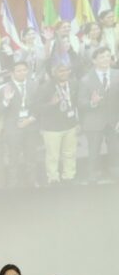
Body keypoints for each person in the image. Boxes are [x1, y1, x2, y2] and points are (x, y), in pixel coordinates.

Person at [78, 47, 119, 181]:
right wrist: (92, 103)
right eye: (102, 57)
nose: (106, 59)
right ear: (94, 60)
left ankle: (115, 172)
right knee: (94, 150)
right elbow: (80, 103)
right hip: (94, 121)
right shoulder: (85, 80)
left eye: (108, 56)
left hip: (114, 121)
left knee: (115, 149)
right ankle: (93, 174)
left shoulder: (117, 74)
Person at [0, 61, 40, 188]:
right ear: (12, 73)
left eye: (24, 70)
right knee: (14, 159)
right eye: (18, 70)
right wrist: (6, 100)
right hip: (13, 129)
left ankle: (32, 182)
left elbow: (38, 106)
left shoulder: (34, 85)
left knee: (31, 157)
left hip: (30, 126)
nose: (22, 73)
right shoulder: (5, 88)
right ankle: (13, 185)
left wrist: (30, 120)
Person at [38, 62, 79, 185]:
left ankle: (69, 176)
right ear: (54, 73)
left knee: (70, 153)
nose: (64, 73)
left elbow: (77, 103)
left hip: (70, 125)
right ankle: (53, 178)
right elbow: (37, 109)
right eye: (61, 71)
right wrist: (51, 104)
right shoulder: (45, 87)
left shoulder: (74, 84)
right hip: (52, 128)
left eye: (66, 70)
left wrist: (78, 122)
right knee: (53, 156)